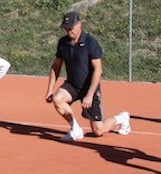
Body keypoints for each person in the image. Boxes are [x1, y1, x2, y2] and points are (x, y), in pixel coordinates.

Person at [45, 11, 131, 142]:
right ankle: (75, 130)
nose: (68, 31)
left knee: (98, 131)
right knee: (58, 98)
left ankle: (121, 118)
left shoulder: (91, 42)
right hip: (72, 85)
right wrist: (50, 89)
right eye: (66, 29)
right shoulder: (63, 43)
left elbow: (98, 69)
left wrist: (90, 94)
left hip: (89, 86)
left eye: (71, 28)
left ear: (80, 24)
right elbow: (56, 66)